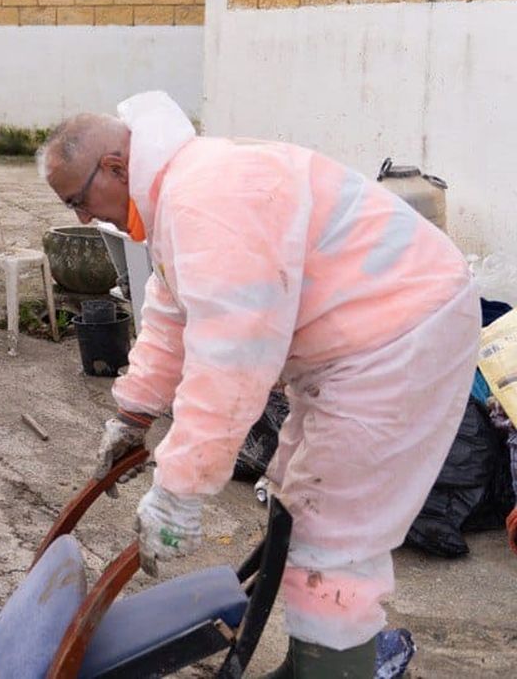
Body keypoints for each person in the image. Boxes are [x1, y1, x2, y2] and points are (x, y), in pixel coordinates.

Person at [38, 91, 478, 678]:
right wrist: (134, 414)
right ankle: (315, 662)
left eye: (79, 200)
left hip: (400, 336)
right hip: (359, 344)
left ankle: (335, 669)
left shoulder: (205, 198)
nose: (84, 218)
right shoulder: (176, 195)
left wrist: (179, 490)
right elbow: (172, 313)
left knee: (333, 534)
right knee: (297, 498)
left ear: (116, 168)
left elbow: (231, 361)